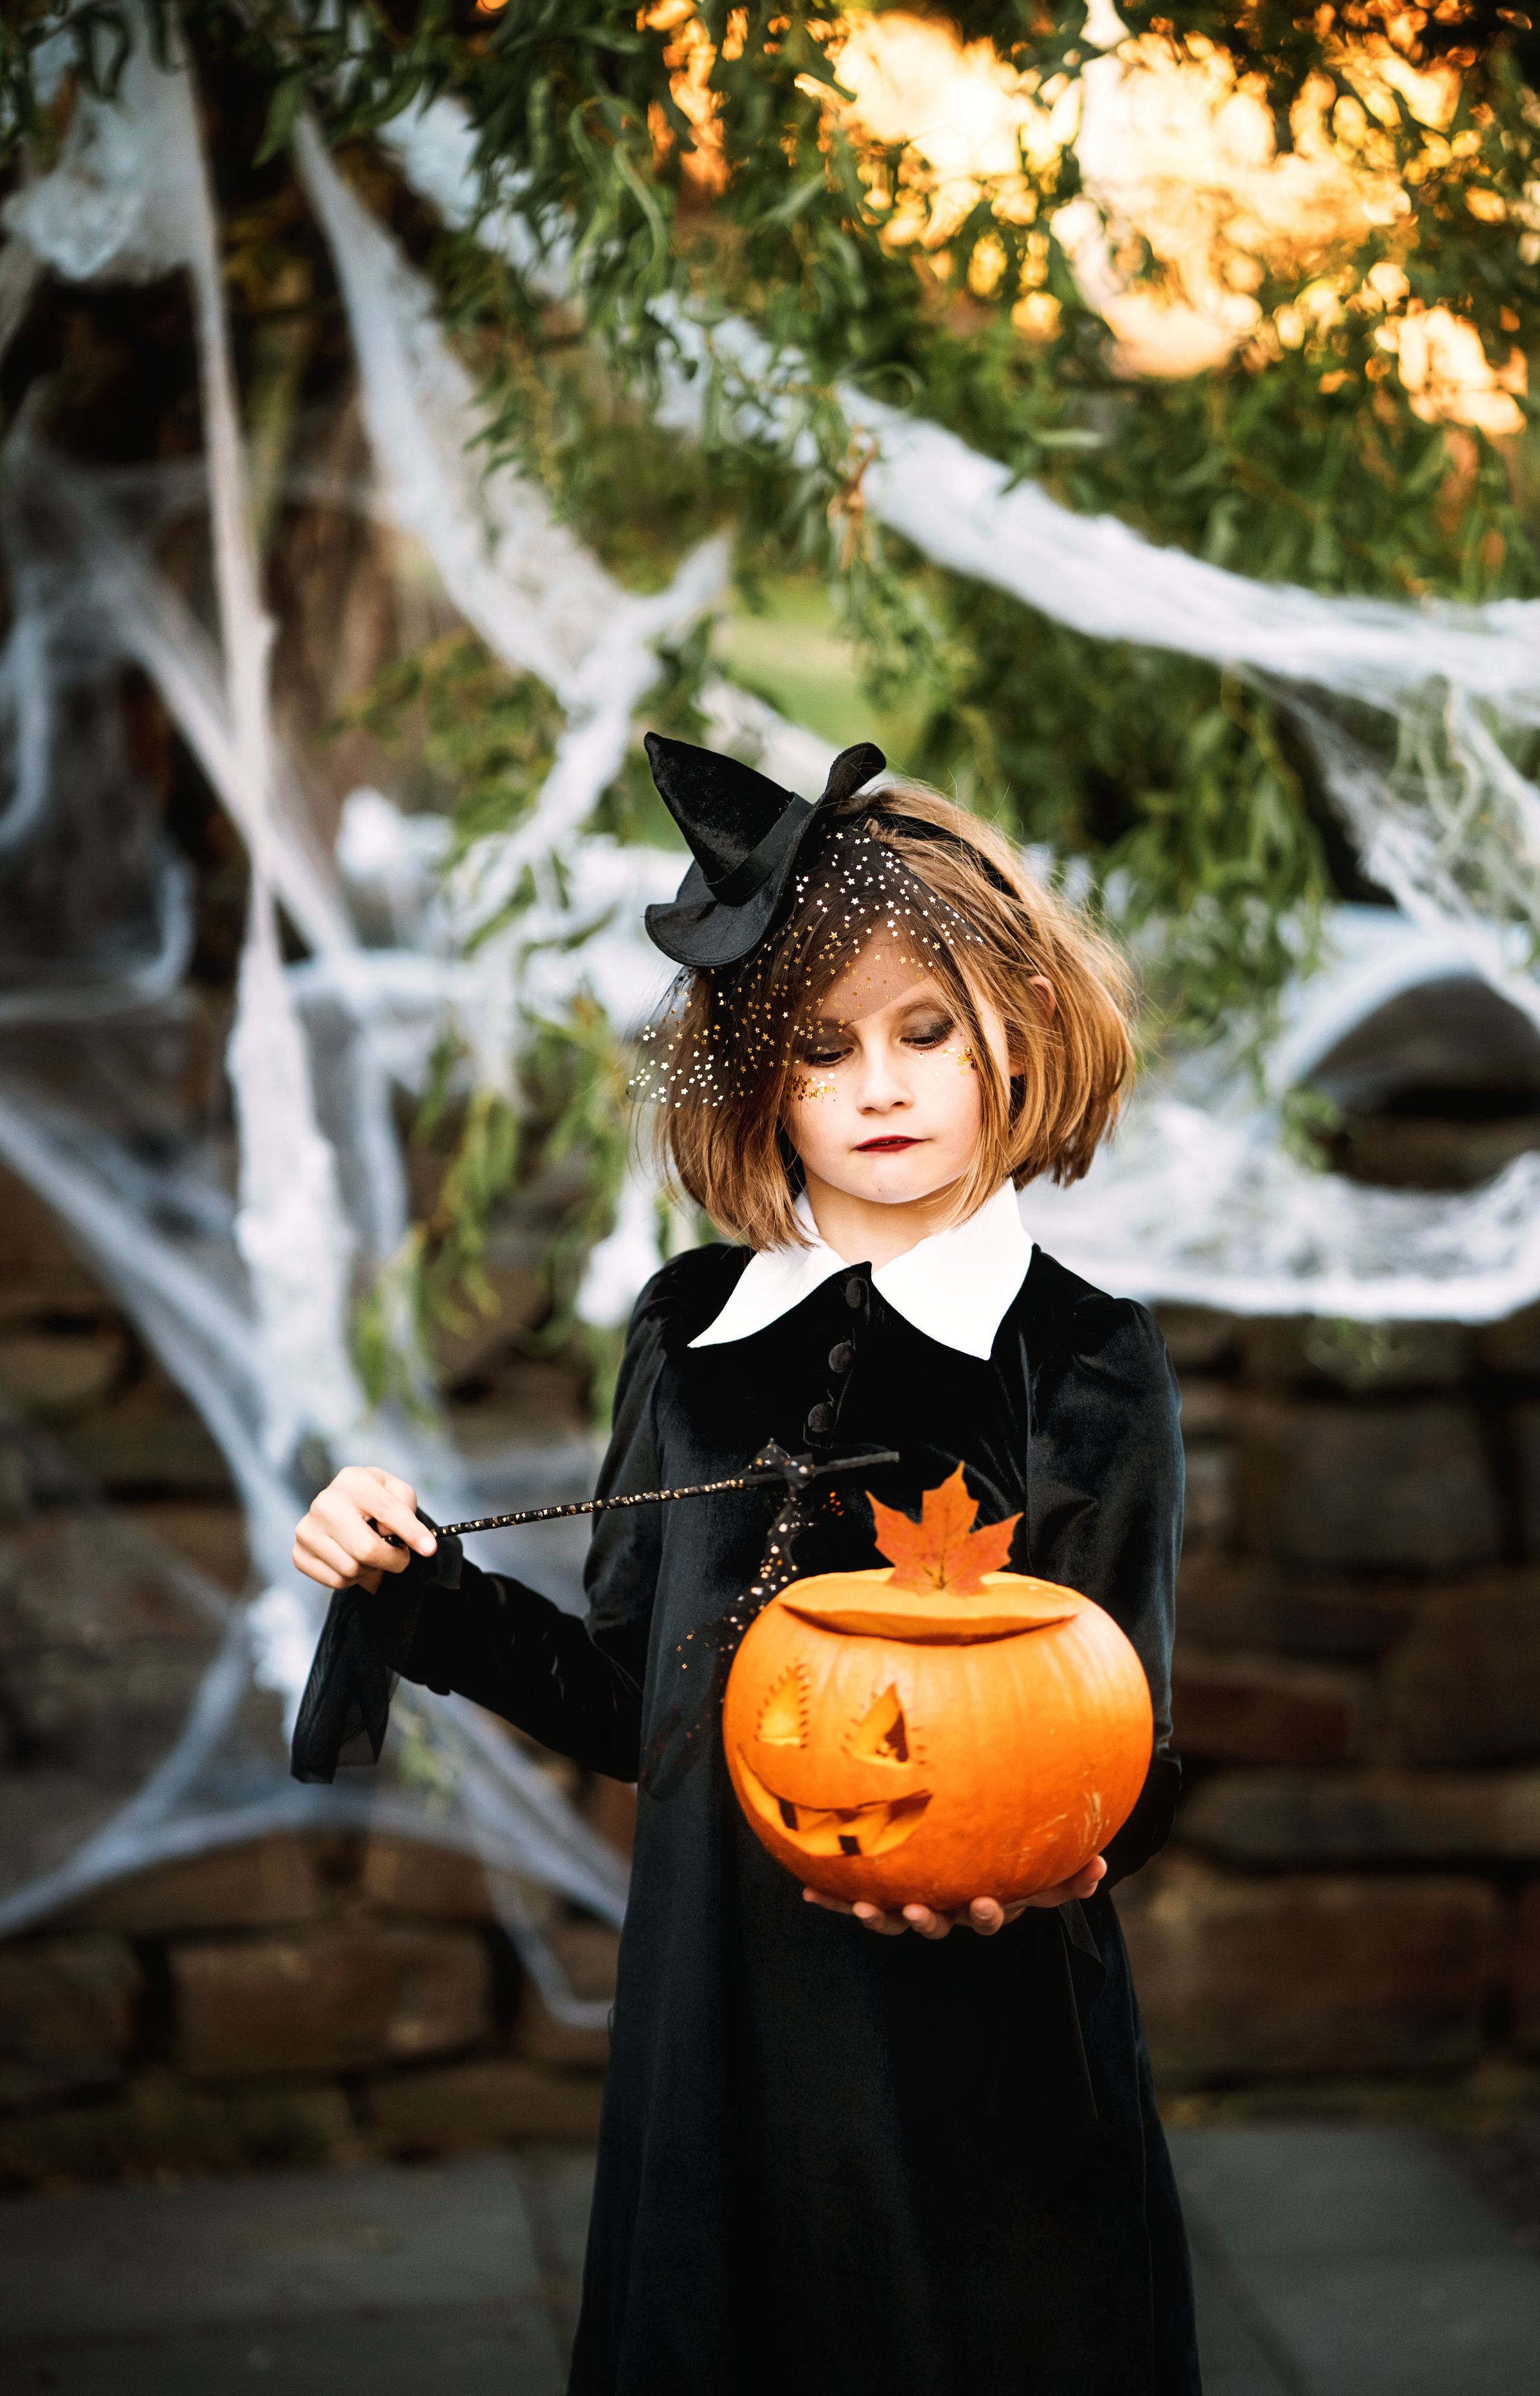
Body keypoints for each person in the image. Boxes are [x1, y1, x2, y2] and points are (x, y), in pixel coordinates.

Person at [292, 734, 1200, 2396]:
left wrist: (1066, 1853)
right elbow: (636, 1702)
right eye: (821, 1047)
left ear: (1014, 1029)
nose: (882, 1084)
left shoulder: (1080, 1362)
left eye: (926, 1032)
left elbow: (1125, 1737)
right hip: (720, 2013)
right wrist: (413, 1584)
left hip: (972, 2034)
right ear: (759, 1083)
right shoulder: (690, 1336)